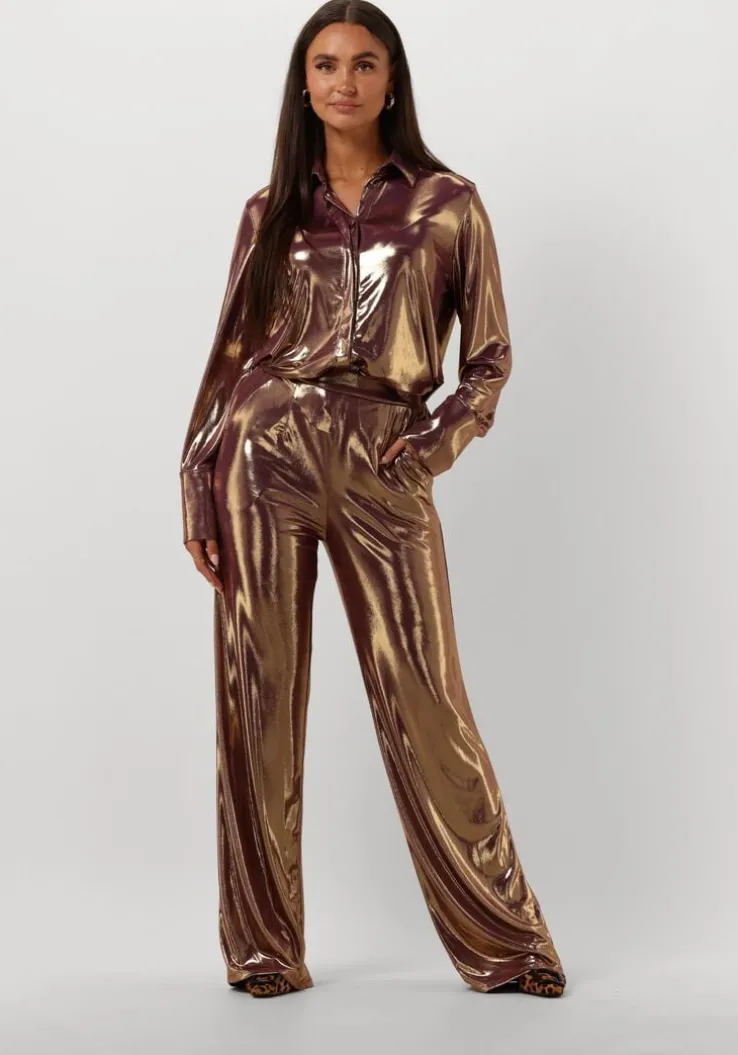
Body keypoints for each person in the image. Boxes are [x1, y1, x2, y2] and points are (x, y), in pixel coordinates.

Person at [179, 0, 567, 1001]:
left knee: (425, 695)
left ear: (392, 80)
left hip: (382, 454)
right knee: (257, 697)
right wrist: (196, 474)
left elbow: (488, 358)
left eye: (362, 63)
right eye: (324, 64)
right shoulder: (271, 211)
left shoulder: (447, 204)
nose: (342, 82)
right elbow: (230, 358)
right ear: (303, 84)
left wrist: (430, 446)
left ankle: (507, 941)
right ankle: (263, 948)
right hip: (264, 451)